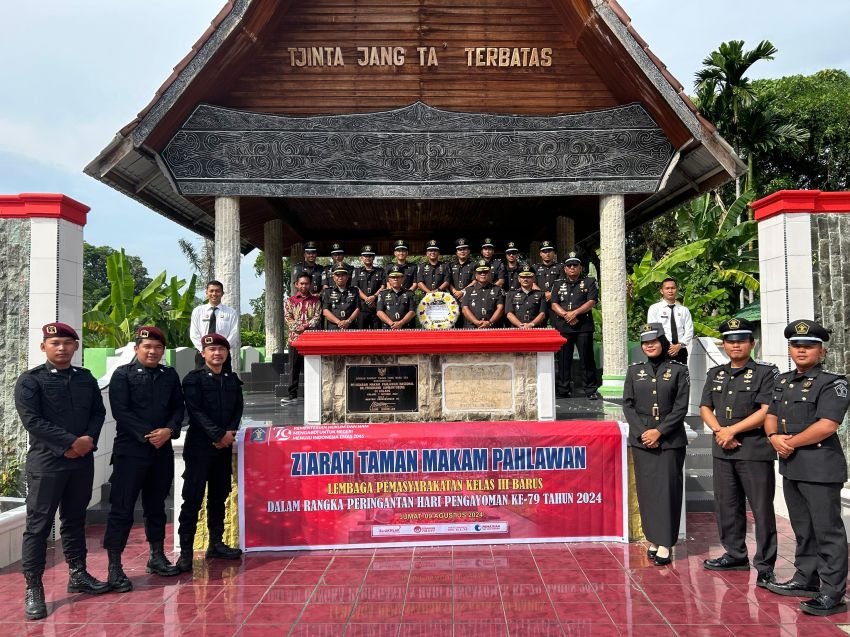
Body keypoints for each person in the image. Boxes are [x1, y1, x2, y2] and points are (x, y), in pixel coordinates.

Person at [15, 323, 109, 620]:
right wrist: (70, 443)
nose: (62, 347)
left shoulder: (85, 378)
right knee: (39, 525)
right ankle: (33, 587)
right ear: (43, 346)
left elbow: (98, 412)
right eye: (55, 342)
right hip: (47, 463)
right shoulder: (31, 381)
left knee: (74, 519)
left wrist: (87, 441)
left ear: (76, 346)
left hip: (81, 461)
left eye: (67, 342)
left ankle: (78, 573)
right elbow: (32, 421)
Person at [764, 320, 850, 616]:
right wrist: (773, 437)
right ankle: (806, 578)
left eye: (809, 346)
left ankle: (832, 592)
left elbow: (827, 425)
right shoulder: (783, 381)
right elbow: (771, 414)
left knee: (827, 531)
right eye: (796, 345)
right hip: (792, 466)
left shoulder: (832, 383)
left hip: (820, 467)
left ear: (821, 350)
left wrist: (789, 442)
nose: (801, 350)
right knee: (803, 528)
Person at [103, 326, 184, 592]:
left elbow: (179, 408)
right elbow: (121, 411)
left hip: (161, 452)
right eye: (147, 347)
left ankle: (156, 556)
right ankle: (114, 566)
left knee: (156, 506)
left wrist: (169, 430)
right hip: (131, 451)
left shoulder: (169, 375)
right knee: (122, 508)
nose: (152, 352)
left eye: (158, 347)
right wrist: (149, 435)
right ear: (137, 348)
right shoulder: (122, 375)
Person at [700, 318, 778, 588]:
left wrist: (731, 431)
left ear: (752, 343)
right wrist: (720, 431)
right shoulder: (716, 373)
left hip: (754, 450)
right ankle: (735, 554)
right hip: (723, 449)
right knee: (727, 505)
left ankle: (765, 565)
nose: (735, 345)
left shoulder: (766, 373)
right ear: (724, 345)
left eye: (741, 341)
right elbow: (705, 407)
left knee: (761, 509)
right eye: (730, 341)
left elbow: (766, 410)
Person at [623, 323, 690, 566]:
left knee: (667, 491)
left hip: (669, 441)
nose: (649, 346)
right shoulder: (634, 371)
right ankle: (653, 537)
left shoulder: (678, 370)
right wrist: (643, 433)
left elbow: (681, 407)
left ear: (662, 342)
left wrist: (659, 432)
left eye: (654, 341)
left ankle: (665, 542)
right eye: (645, 343)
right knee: (647, 492)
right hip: (642, 442)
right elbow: (628, 405)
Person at [176, 333, 244, 572]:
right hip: (200, 448)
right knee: (192, 499)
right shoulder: (193, 380)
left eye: (221, 349)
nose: (217, 353)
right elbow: (195, 412)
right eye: (212, 349)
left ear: (227, 353)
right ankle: (186, 553)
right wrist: (218, 435)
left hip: (223, 448)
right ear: (203, 353)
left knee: (219, 496)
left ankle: (216, 543)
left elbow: (238, 408)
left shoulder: (231, 379)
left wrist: (230, 433)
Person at [550, 253, 600, 399]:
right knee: (563, 359)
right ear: (565, 269)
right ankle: (563, 389)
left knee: (587, 358)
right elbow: (554, 303)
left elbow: (592, 301)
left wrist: (575, 313)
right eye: (569, 265)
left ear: (580, 267)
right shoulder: (557, 283)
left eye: (575, 265)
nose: (572, 267)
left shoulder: (589, 282)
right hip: (564, 326)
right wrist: (566, 315)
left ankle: (590, 390)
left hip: (583, 326)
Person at [282, 273, 321, 404]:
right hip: (295, 339)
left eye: (306, 283)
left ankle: (311, 395)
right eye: (302, 283)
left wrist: (304, 327)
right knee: (294, 368)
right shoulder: (290, 301)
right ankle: (292, 395)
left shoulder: (315, 301)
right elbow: (287, 317)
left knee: (312, 367)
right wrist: (297, 327)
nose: (304, 286)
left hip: (311, 339)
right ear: (296, 285)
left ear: (310, 285)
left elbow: (317, 317)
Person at [189, 280, 239, 373]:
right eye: (211, 291)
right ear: (206, 293)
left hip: (222, 355)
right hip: (202, 354)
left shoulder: (231, 312)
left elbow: (234, 334)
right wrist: (205, 351)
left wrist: (222, 350)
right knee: (200, 379)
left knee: (224, 379)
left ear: (222, 293)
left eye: (217, 291)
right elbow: (194, 334)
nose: (214, 294)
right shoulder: (198, 311)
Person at [647, 278, 693, 364]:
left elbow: (689, 330)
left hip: (680, 350)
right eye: (667, 288)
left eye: (673, 288)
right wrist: (668, 346)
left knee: (681, 372)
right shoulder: (654, 308)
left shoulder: (684, 310)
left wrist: (679, 345)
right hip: (661, 350)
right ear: (661, 291)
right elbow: (653, 330)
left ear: (677, 290)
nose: (670, 291)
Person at [461, 260, 505, 328]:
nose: (482, 274)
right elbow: (465, 309)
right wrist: (476, 322)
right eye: (480, 272)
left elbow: (500, 308)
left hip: (492, 328)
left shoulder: (497, 289)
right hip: (473, 328)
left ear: (489, 274)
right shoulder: (468, 290)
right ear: (476, 275)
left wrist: (489, 322)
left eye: (485, 272)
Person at [353, 245, 386, 329]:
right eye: (365, 256)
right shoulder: (356, 271)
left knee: (377, 333)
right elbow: (355, 287)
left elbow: (383, 286)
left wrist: (374, 297)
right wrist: (366, 299)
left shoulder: (381, 271)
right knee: (361, 334)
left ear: (374, 257)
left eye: (370, 256)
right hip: (361, 308)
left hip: (377, 307)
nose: (368, 258)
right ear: (361, 257)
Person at [505, 264, 547, 328]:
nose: (525, 279)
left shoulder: (540, 294)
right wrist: (520, 325)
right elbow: (509, 314)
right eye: (523, 277)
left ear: (533, 279)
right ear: (519, 279)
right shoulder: (511, 294)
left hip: (535, 328)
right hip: (517, 329)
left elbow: (542, 314)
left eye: (528, 277)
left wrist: (531, 324)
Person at [321, 265, 360, 330]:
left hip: (351, 327)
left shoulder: (354, 291)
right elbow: (325, 311)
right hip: (334, 328)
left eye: (343, 275)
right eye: (338, 275)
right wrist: (339, 322)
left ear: (347, 277)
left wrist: (348, 321)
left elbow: (358, 309)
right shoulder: (328, 292)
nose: (340, 278)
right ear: (333, 277)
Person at [531, 240, 561, 305]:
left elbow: (562, 283)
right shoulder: (535, 268)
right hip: (539, 300)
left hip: (556, 300)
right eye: (544, 252)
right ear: (540, 254)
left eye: (549, 251)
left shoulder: (560, 267)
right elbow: (532, 283)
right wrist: (543, 294)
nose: (547, 254)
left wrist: (552, 294)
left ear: (554, 253)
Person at [449, 238, 475, 302]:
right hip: (453, 297)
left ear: (468, 251)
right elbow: (448, 281)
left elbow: (475, 281)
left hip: (469, 297)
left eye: (464, 249)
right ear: (456, 252)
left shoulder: (474, 265)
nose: (462, 251)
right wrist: (455, 292)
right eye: (460, 250)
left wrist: (462, 292)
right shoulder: (450, 265)